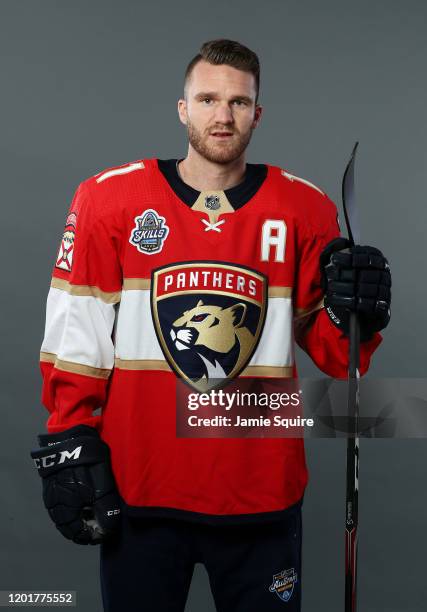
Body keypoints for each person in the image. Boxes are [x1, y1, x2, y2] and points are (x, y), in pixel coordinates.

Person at [31, 39, 391, 611]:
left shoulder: (305, 208)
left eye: (239, 103)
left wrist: (360, 315)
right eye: (207, 99)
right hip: (142, 486)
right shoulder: (110, 199)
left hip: (260, 492)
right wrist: (69, 434)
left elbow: (332, 350)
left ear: (258, 113)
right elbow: (78, 330)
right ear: (182, 108)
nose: (222, 116)